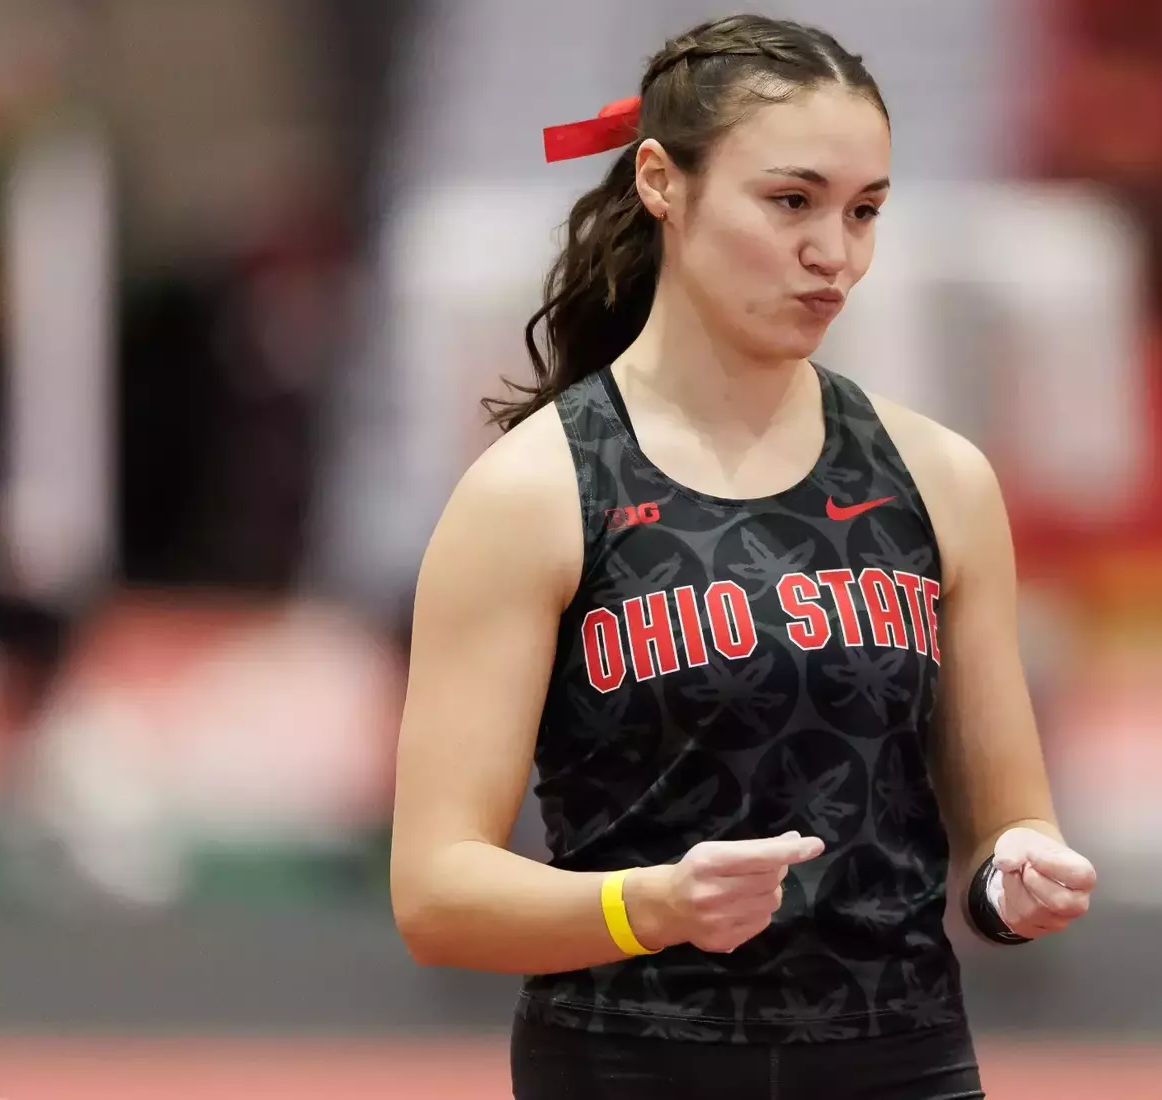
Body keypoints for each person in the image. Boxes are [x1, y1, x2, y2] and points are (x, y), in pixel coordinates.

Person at [389, 14, 1097, 1099]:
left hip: (903, 1061)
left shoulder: (942, 479)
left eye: (866, 211)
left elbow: (1003, 839)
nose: (836, 252)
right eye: (792, 201)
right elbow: (436, 894)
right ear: (663, 182)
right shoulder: (535, 493)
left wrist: (1019, 876)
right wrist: (652, 904)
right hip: (632, 1063)